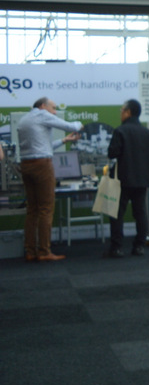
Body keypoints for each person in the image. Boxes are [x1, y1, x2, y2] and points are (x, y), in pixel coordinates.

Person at [16, 97, 83, 262]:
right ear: (42, 106)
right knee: (46, 209)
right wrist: (80, 124)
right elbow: (72, 126)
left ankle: (30, 250)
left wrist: (64, 140)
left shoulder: (24, 120)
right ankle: (44, 251)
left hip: (26, 165)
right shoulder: (42, 115)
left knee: (32, 210)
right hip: (42, 166)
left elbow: (43, 147)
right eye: (53, 108)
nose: (55, 112)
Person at [106, 99, 149, 257]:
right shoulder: (148, 133)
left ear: (128, 112)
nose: (120, 113)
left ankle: (117, 247)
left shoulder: (120, 131)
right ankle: (139, 246)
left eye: (121, 110)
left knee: (117, 214)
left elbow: (112, 153)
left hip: (123, 179)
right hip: (143, 179)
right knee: (140, 212)